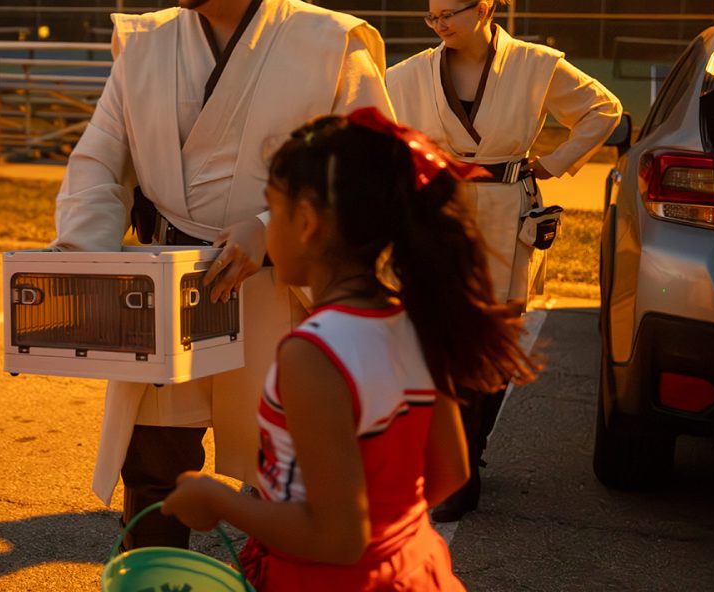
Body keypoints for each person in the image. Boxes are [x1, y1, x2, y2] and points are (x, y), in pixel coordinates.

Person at [52, 0, 392, 549]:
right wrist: (84, 266)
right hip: (164, 290)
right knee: (151, 482)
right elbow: (100, 160)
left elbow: (371, 170)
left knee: (283, 488)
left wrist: (271, 228)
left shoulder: (330, 43)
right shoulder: (144, 42)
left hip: (275, 294)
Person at [162, 108, 540, 590]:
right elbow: (449, 472)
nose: (267, 225)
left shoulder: (313, 354)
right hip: (414, 568)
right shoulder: (413, 320)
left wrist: (218, 503)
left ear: (305, 222)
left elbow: (338, 539)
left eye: (272, 209)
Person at [386, 0, 621, 521]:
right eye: (432, 15)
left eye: (449, 14)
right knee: (442, 343)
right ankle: (456, 475)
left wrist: (551, 163)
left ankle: (471, 449)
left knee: (491, 344)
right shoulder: (412, 73)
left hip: (506, 214)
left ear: (485, 9)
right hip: (437, 213)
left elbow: (603, 110)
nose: (438, 25)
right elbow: (374, 121)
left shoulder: (536, 66)